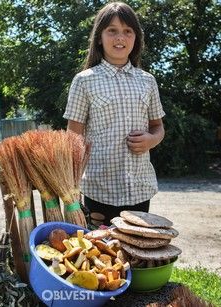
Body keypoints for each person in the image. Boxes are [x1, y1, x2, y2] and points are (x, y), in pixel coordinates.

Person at [63, 2, 165, 226]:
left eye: (128, 31)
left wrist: (151, 140)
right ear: (99, 37)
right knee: (100, 253)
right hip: (99, 189)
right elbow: (73, 139)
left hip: (139, 188)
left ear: (136, 38)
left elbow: (158, 127)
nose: (120, 37)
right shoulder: (84, 81)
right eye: (112, 30)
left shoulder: (147, 81)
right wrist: (71, 186)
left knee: (136, 250)